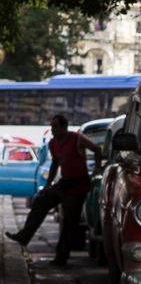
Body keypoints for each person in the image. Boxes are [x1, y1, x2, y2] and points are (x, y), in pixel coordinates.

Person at [6, 113, 102, 266]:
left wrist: (97, 167)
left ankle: (61, 257)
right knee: (40, 202)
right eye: (52, 127)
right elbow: (55, 164)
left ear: (64, 127)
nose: (53, 130)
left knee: (69, 222)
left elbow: (97, 149)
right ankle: (24, 236)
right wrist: (49, 185)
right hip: (63, 184)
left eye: (55, 127)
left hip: (78, 186)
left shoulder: (76, 138)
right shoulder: (53, 143)